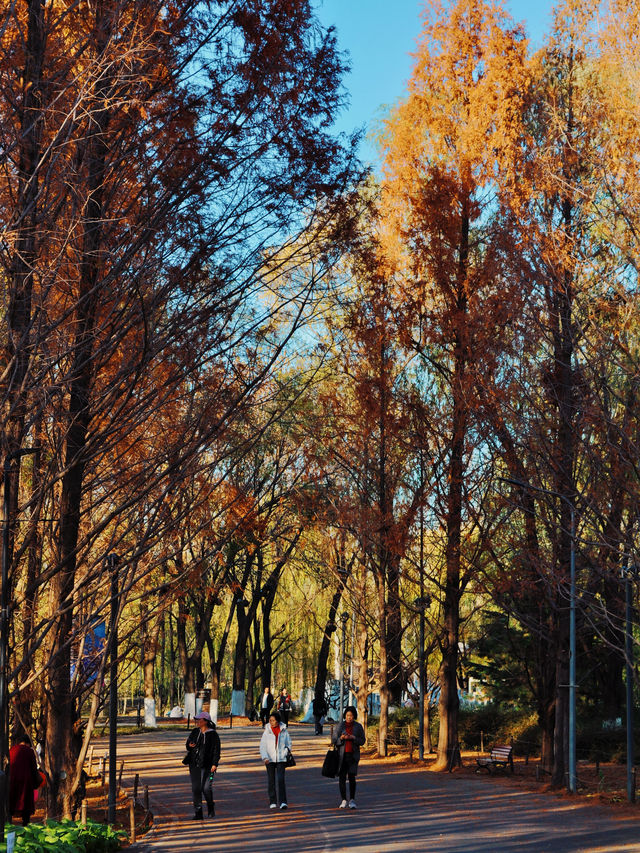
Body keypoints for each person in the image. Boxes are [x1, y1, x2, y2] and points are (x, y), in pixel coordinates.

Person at [185, 710, 221, 819]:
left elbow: (216, 750)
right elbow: (187, 744)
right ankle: (198, 812)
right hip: (194, 763)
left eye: (199, 719)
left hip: (209, 765)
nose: (197, 721)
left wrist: (215, 764)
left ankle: (210, 806)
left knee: (206, 788)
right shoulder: (195, 732)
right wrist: (190, 745)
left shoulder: (213, 734)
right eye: (197, 719)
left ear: (205, 721)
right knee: (196, 788)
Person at [332, 705, 366, 810]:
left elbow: (363, 741)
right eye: (347, 715)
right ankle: (343, 799)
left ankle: (352, 800)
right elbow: (334, 740)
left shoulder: (358, 726)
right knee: (342, 777)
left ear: (354, 716)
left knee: (352, 777)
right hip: (341, 755)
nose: (349, 717)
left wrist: (354, 738)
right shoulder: (340, 726)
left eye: (351, 715)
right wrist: (341, 738)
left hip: (353, 755)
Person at [259, 711, 292, 810]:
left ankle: (283, 802)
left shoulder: (284, 730)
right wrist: (264, 757)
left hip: (281, 759)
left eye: (273, 720)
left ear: (278, 721)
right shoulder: (267, 731)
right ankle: (272, 801)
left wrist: (285, 752)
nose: (271, 722)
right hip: (269, 760)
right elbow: (262, 746)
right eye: (270, 720)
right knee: (271, 781)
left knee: (281, 780)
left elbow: (289, 744)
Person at [9, 734, 39, 826]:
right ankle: (25, 824)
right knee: (25, 803)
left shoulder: (11, 750)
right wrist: (36, 782)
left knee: (11, 801)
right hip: (26, 781)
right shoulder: (29, 751)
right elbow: (34, 768)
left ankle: (8, 824)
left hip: (11, 780)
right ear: (27, 743)